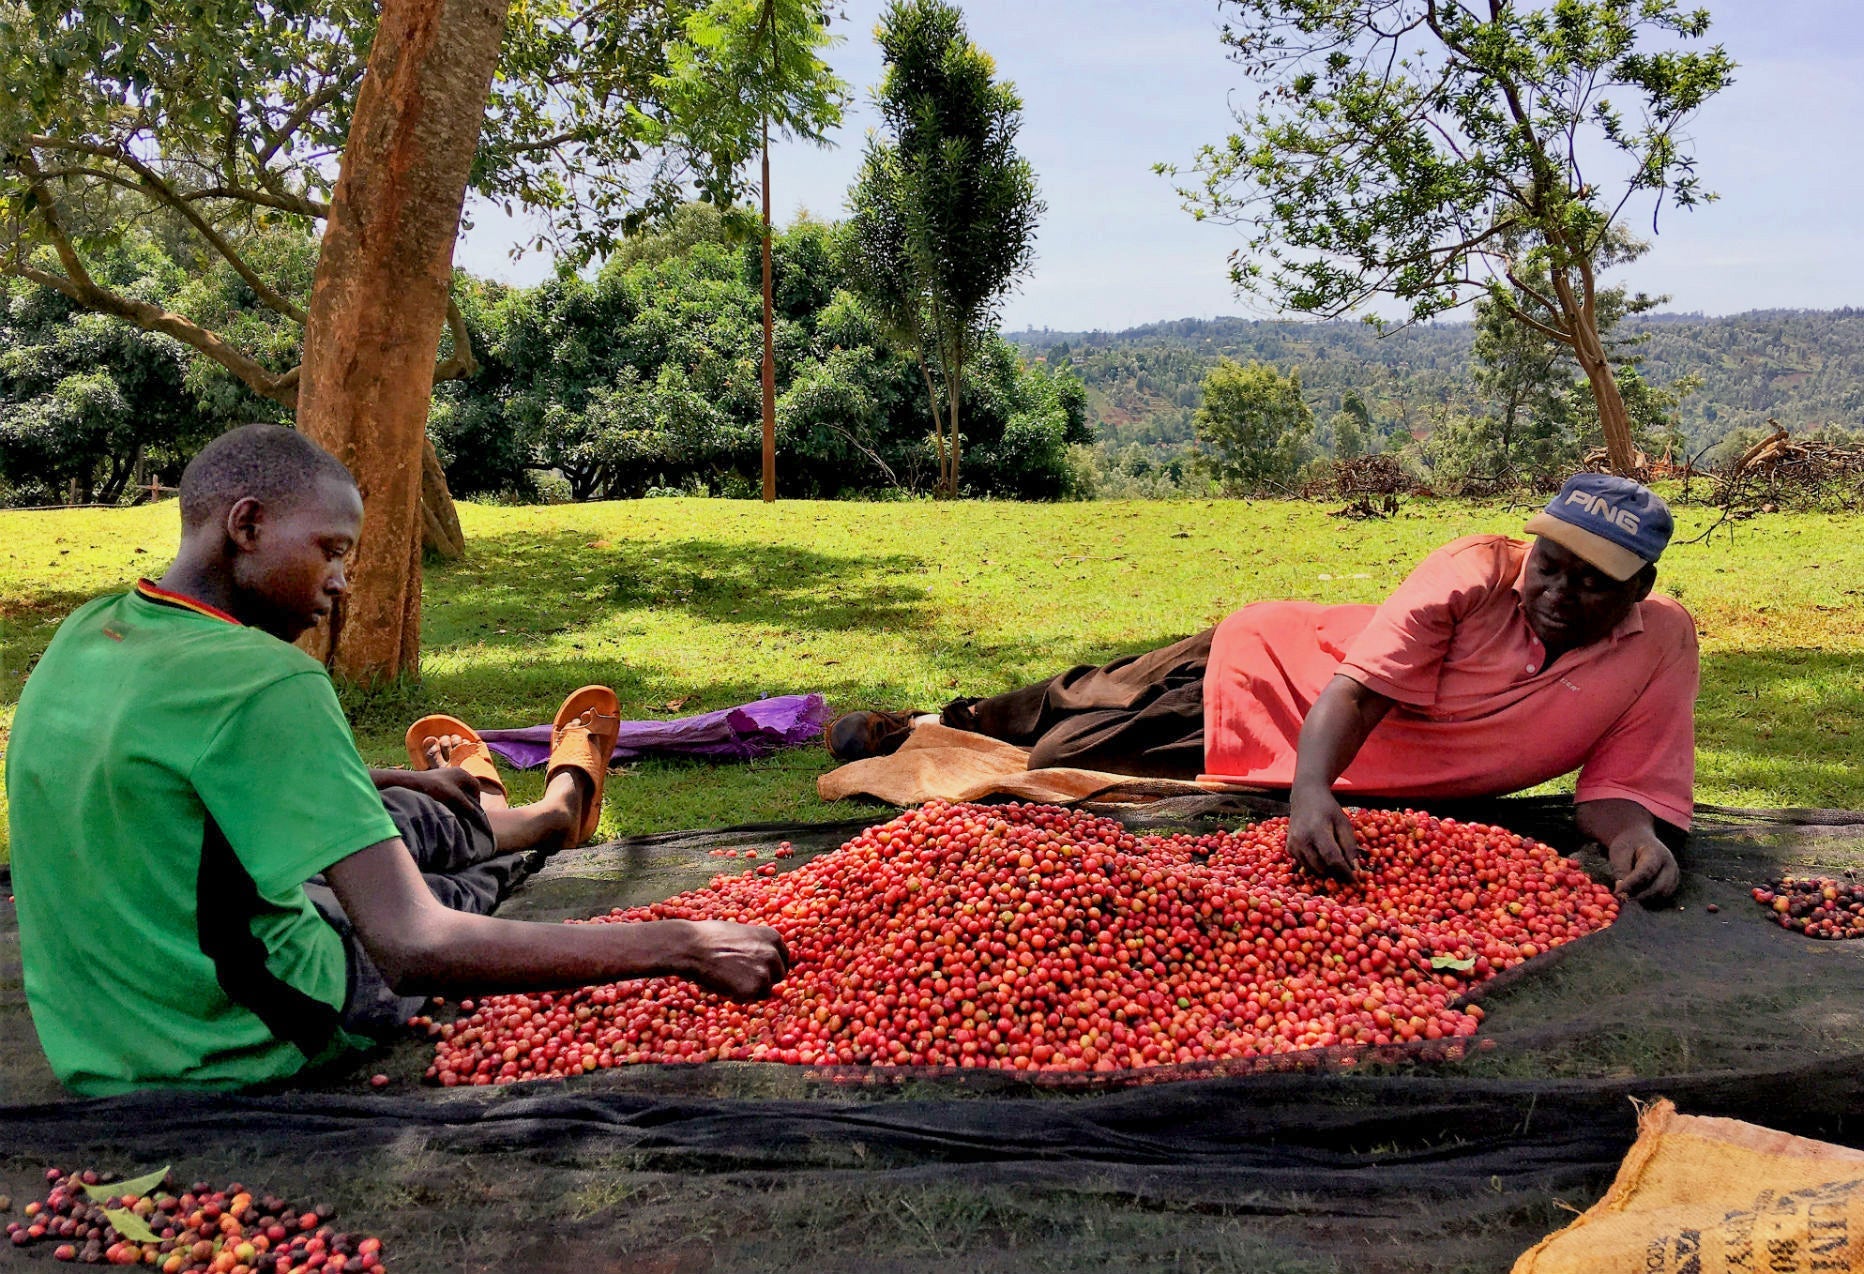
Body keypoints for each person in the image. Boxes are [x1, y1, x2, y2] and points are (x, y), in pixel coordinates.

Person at [5, 424, 789, 1096]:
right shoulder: (268, 679)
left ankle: (546, 816)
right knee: (447, 894)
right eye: (331, 551)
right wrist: (681, 944)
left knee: (415, 807)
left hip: (106, 1030)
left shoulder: (93, 628)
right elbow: (417, 948)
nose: (343, 583)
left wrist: (388, 778)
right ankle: (540, 821)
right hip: (233, 1037)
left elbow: (165, 781)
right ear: (246, 526)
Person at [829, 474, 1697, 905]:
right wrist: (1313, 794)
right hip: (1274, 670)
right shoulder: (1473, 572)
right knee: (1084, 700)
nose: (1555, 590)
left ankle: (963, 724)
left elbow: (1624, 782)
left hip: (1336, 758)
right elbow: (1357, 693)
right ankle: (938, 721)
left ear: (1638, 587)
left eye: (1590, 583)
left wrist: (1634, 840)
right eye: (1550, 564)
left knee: (1064, 753)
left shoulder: (1660, 643)